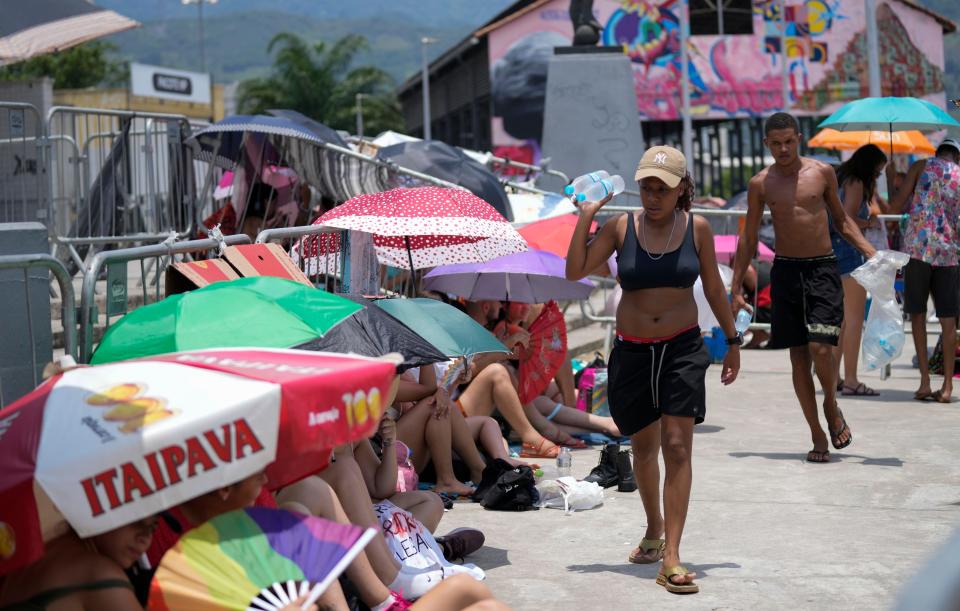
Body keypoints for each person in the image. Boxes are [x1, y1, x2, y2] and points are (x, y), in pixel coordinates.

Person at [566, 145, 740, 594]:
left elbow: (716, 290)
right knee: (643, 450)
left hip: (682, 348)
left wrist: (733, 340)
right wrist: (587, 215)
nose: (652, 195)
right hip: (633, 351)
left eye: (662, 187)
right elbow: (573, 272)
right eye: (646, 186)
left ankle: (672, 557)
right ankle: (653, 527)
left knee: (678, 447)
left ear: (682, 188)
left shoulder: (696, 228)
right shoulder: (621, 227)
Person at [731, 112, 875, 464]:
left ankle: (830, 402)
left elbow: (841, 219)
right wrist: (736, 287)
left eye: (789, 141)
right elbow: (749, 235)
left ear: (799, 138)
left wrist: (871, 253)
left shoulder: (822, 173)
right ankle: (816, 432)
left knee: (821, 348)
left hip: (823, 268)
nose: (783, 148)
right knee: (797, 358)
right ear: (767, 144)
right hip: (786, 272)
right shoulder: (760, 184)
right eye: (776, 143)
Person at [887, 137, 960, 403]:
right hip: (948, 252)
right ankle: (948, 387)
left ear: (937, 153)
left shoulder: (920, 167)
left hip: (918, 250)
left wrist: (890, 178)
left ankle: (925, 383)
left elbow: (895, 206)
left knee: (917, 314)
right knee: (948, 319)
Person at [830, 144, 888, 397]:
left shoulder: (842, 177)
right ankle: (851, 380)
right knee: (854, 321)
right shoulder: (854, 183)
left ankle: (834, 378)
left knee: (842, 322)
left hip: (836, 254)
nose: (877, 177)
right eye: (877, 172)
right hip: (849, 254)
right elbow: (848, 219)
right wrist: (870, 223)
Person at [0, 519, 158, 610]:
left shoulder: (40, 552)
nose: (145, 538)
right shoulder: (99, 573)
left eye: (153, 527)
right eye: (136, 521)